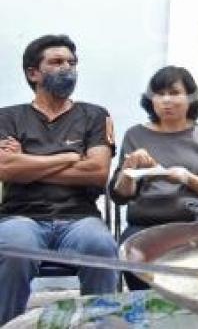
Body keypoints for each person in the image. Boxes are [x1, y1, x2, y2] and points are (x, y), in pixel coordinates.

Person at [0, 35, 118, 325]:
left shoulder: (94, 115)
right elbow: (6, 169)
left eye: (72, 62)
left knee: (102, 247)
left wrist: (28, 161)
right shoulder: (8, 117)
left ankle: (101, 325)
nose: (67, 68)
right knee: (14, 250)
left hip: (80, 218)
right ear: (33, 73)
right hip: (21, 216)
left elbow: (97, 172)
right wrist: (68, 157)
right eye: (56, 62)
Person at [109, 66, 198, 290]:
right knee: (132, 252)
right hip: (145, 224)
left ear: (190, 98)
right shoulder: (136, 135)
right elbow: (120, 196)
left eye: (174, 93)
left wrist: (188, 179)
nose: (166, 101)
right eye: (160, 94)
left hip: (195, 223)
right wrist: (128, 170)